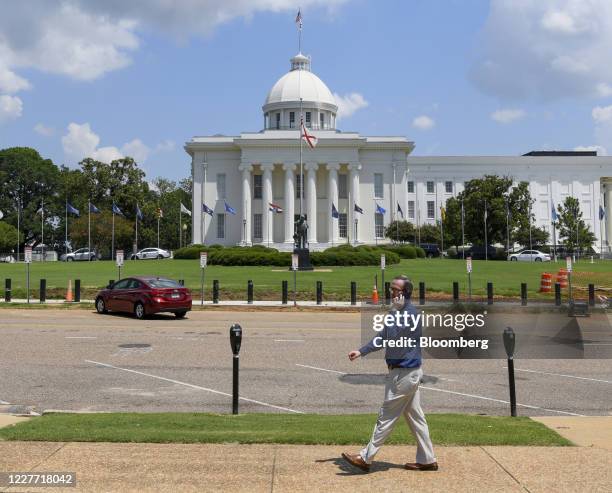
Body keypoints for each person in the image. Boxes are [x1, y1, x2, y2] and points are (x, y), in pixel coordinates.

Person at [342, 275, 438, 473]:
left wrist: (394, 311)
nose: (391, 292)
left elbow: (393, 337)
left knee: (386, 416)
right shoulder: (400, 312)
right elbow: (383, 336)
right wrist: (362, 351)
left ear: (404, 293)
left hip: (404, 373)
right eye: (391, 289)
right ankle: (427, 459)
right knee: (416, 418)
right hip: (406, 373)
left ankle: (365, 457)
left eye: (395, 289)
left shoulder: (409, 314)